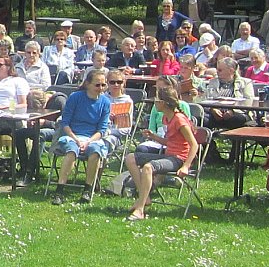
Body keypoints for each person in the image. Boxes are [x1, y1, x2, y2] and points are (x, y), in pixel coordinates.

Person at [124, 87, 198, 221]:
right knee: (130, 158)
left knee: (148, 167)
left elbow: (194, 144)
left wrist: (186, 166)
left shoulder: (179, 120)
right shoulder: (166, 118)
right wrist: (153, 136)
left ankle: (140, 209)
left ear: (163, 103)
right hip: (169, 154)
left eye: (156, 100)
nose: (154, 103)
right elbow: (170, 142)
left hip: (178, 159)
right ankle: (145, 198)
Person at [45, 68, 112, 195]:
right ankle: (60, 189)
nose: (101, 88)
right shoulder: (76, 97)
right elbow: (65, 122)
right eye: (97, 85)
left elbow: (102, 129)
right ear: (87, 84)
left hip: (92, 138)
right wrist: (76, 140)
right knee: (71, 151)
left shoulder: (105, 102)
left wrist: (88, 142)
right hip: (72, 135)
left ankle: (87, 189)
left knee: (95, 153)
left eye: (104, 85)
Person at [201, 57, 254, 137]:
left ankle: (236, 148)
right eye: (217, 69)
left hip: (236, 114)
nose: (217, 72)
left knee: (238, 119)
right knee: (202, 119)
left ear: (231, 70)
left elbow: (248, 102)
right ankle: (210, 147)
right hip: (215, 115)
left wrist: (233, 111)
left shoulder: (246, 83)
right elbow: (205, 99)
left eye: (220, 70)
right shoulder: (213, 82)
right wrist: (213, 109)